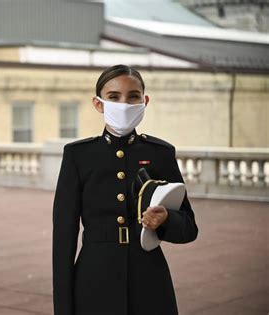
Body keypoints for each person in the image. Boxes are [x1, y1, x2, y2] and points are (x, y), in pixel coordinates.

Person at [52, 64, 198, 315]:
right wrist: (64, 308)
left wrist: (165, 219)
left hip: (149, 277)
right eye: (113, 97)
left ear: (145, 101)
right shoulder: (78, 156)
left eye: (133, 96)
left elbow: (189, 228)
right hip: (94, 276)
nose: (124, 103)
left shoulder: (160, 154)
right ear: (98, 104)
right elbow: (64, 237)